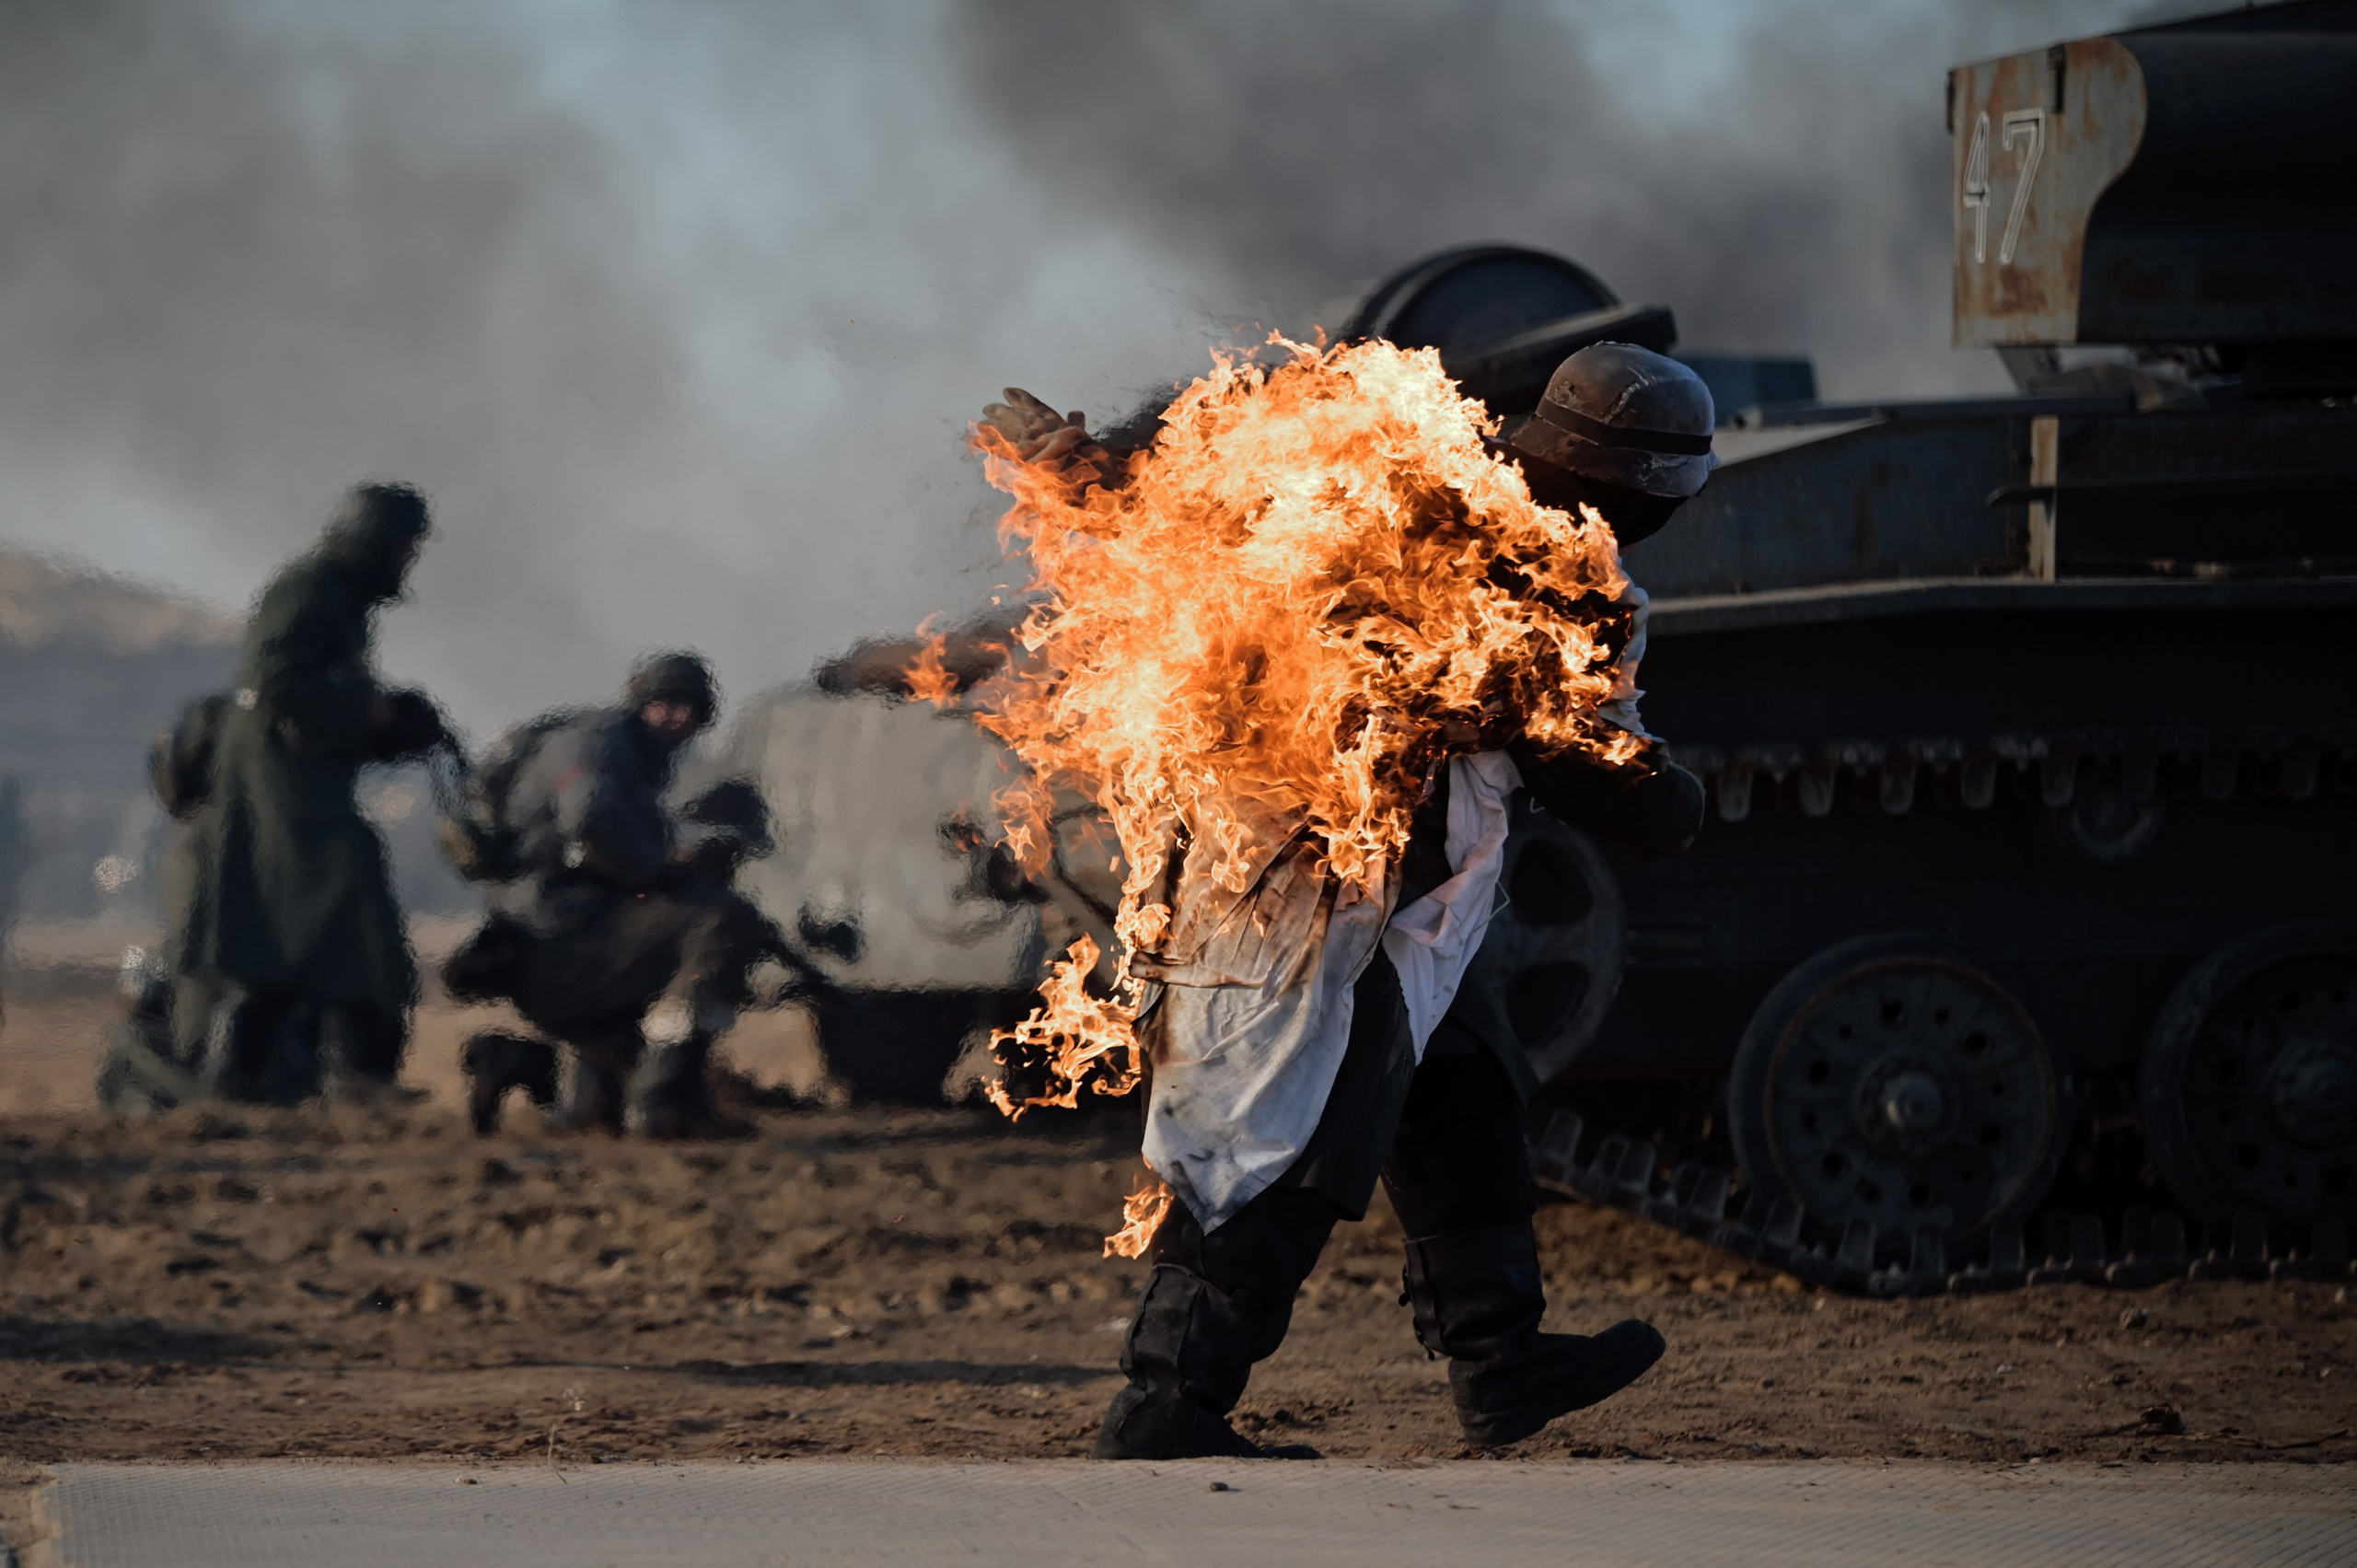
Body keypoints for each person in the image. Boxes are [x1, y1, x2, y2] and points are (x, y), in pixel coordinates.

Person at [982, 342, 1714, 1459]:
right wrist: (1091, 478)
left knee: (1464, 1088)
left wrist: (1092, 476)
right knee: (1294, 1139)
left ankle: (1500, 1357)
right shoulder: (1424, 508)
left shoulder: (1565, 571)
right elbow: (1229, 533)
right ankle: (1170, 1395)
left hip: (1414, 902)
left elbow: (1597, 757)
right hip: (1309, 879)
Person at [166, 482, 449, 1105]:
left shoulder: (339, 596)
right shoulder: (310, 587)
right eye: (404, 545)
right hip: (275, 777)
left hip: (293, 771)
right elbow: (276, 680)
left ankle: (242, 1075)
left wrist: (384, 722)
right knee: (344, 892)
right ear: (374, 540)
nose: (409, 559)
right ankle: (352, 1072)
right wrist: (369, 713)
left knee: (290, 924)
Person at [442, 652, 783, 1139]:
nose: (678, 717)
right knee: (725, 923)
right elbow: (590, 815)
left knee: (654, 965)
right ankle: (661, 1105)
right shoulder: (602, 741)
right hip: (563, 941)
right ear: (639, 704)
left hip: (551, 948)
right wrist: (655, 872)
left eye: (691, 708)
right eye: (665, 703)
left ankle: (531, 1069)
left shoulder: (607, 747)